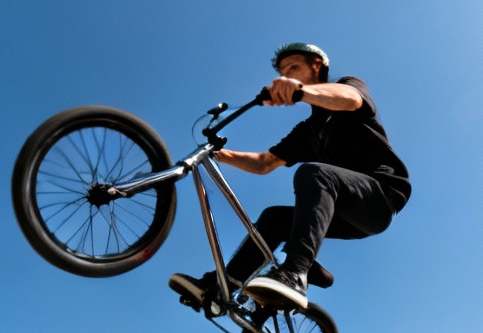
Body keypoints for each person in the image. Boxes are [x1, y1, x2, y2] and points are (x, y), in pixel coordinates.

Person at [169, 42, 410, 312]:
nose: (287, 76)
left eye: (294, 67)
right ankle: (219, 288)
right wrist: (220, 154)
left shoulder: (347, 86)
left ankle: (296, 274)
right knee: (275, 218)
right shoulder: (308, 131)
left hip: (379, 198)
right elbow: (264, 163)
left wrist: (301, 92)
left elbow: (351, 99)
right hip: (342, 216)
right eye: (284, 73)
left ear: (317, 65)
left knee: (315, 173)